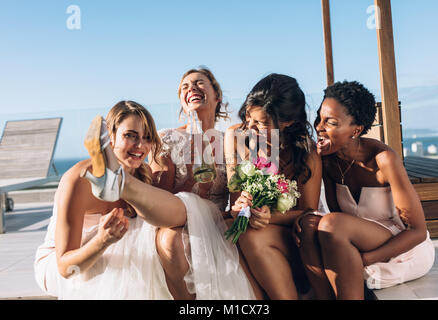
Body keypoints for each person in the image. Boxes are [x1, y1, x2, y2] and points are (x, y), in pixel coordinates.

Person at [294, 81, 435, 300]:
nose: (319, 127)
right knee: (308, 223)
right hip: (353, 238)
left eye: (330, 122)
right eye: (319, 119)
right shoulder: (329, 160)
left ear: (356, 130)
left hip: (399, 245)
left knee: (331, 223)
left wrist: (366, 258)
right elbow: (334, 212)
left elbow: (417, 231)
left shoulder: (383, 160)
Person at [34, 100, 177, 299]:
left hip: (115, 250)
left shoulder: (144, 175)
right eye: (130, 136)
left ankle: (118, 180)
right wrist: (102, 240)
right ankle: (114, 176)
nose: (140, 146)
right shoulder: (79, 179)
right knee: (128, 266)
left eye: (147, 138)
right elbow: (65, 268)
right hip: (66, 263)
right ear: (111, 137)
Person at [150, 67, 261, 299]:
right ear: (181, 100)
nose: (192, 88)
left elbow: (236, 199)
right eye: (185, 86)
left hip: (219, 222)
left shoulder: (231, 141)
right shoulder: (167, 138)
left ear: (217, 94)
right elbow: (158, 198)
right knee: (171, 240)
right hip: (176, 223)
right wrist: (190, 175)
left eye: (199, 83)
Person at [224, 73, 322, 299]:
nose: (251, 126)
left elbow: (308, 211)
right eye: (249, 116)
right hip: (247, 225)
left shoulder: (307, 153)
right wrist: (240, 207)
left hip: (290, 236)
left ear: (288, 122)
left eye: (262, 122)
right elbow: (234, 198)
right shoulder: (235, 137)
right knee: (229, 235)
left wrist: (269, 216)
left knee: (248, 236)